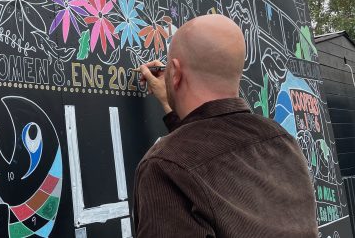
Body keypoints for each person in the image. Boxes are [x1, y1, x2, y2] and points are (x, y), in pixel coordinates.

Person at [134, 15, 318, 237]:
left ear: (175, 71)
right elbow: (210, 154)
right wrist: (170, 103)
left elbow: (194, 161)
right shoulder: (282, 140)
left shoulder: (164, 167)